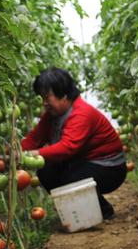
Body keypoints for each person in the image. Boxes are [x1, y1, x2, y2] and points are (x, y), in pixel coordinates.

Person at [21, 67, 126, 220]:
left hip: (110, 167)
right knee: (46, 171)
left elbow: (67, 148)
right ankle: (78, 211)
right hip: (85, 163)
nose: (44, 103)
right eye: (42, 98)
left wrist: (33, 154)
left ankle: (103, 209)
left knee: (70, 178)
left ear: (63, 94)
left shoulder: (82, 113)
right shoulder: (52, 116)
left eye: (47, 97)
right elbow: (35, 138)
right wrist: (14, 151)